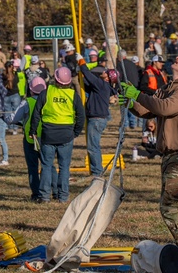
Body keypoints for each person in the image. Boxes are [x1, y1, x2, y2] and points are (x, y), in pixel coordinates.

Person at [120, 50, 178, 273]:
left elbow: (164, 108)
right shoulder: (171, 86)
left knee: (171, 208)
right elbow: (148, 109)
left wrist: (138, 95)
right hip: (172, 156)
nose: (177, 58)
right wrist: (131, 101)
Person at [27, 67, 84, 203]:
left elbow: (36, 114)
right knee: (64, 167)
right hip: (66, 134)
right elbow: (81, 116)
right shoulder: (73, 95)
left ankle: (44, 196)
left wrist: (33, 131)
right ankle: (63, 197)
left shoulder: (46, 93)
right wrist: (75, 132)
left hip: (48, 135)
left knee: (46, 166)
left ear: (55, 79)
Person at [77, 61, 115, 177]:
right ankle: (96, 170)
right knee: (93, 145)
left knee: (93, 147)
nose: (104, 72)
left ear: (108, 78)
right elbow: (86, 82)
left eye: (106, 73)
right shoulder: (101, 87)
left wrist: (82, 63)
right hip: (96, 119)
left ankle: (97, 172)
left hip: (96, 119)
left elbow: (89, 76)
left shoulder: (102, 85)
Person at [12, 76, 46, 201]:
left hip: (30, 138)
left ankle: (36, 193)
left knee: (33, 167)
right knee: (48, 166)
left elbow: (14, 118)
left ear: (31, 90)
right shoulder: (48, 100)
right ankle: (51, 191)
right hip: (47, 137)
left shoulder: (27, 102)